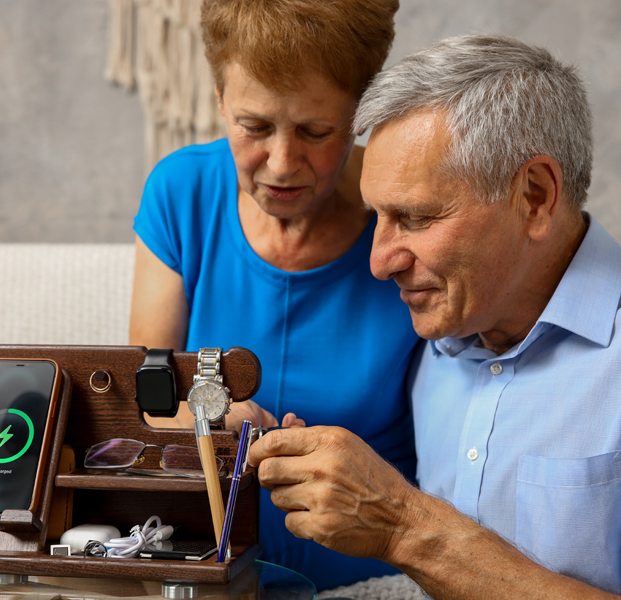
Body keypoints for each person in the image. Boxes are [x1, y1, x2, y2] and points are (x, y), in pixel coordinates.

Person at [250, 34, 621, 598]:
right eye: (377, 215)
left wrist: (403, 527)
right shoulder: (436, 334)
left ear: (537, 196)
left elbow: (404, 524)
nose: (378, 263)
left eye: (417, 217)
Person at [125, 0, 415, 588]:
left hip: (371, 583)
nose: (281, 164)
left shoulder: (406, 215)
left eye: (315, 131)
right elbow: (143, 403)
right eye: (253, 127)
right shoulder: (181, 192)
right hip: (206, 572)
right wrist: (205, 416)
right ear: (219, 101)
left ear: (362, 111)